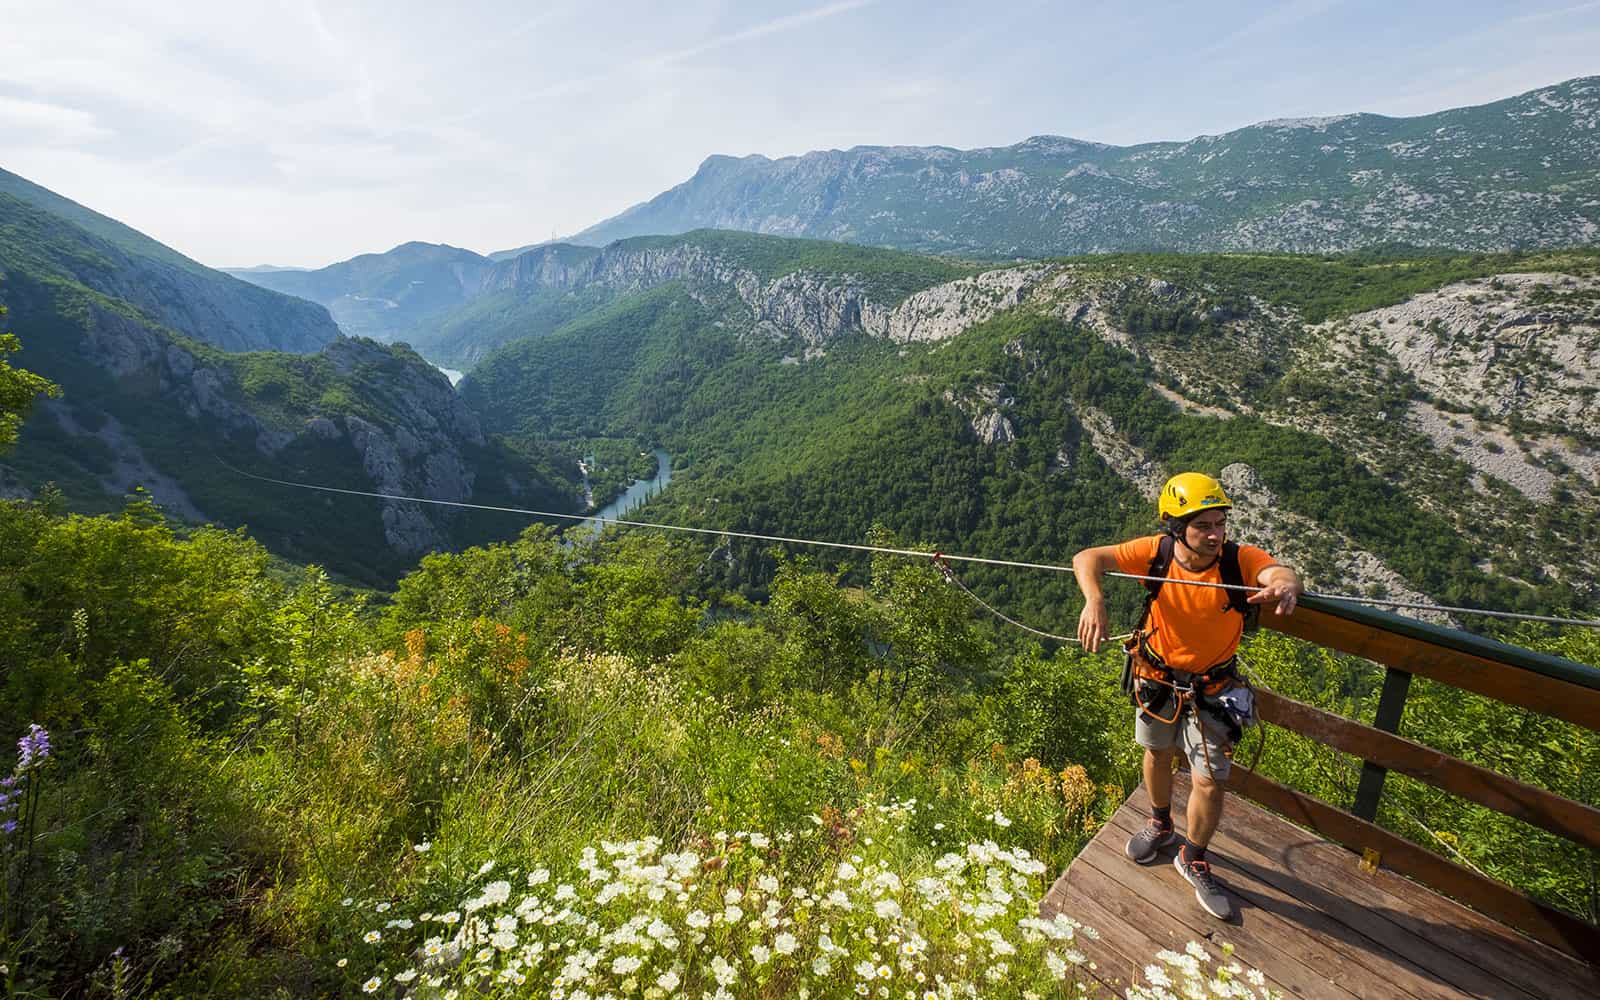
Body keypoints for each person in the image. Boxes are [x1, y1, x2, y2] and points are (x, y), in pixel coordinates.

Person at [1072, 472, 1302, 919]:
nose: (1216, 535)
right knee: (1156, 754)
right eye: (1204, 526)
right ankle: (1160, 823)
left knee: (1209, 779)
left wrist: (1286, 583)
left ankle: (1192, 854)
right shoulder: (1156, 553)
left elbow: (1276, 571)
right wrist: (1094, 599)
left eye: (1220, 524)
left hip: (1213, 688)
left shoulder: (1237, 561)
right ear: (1177, 528)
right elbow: (1088, 558)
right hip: (1157, 677)